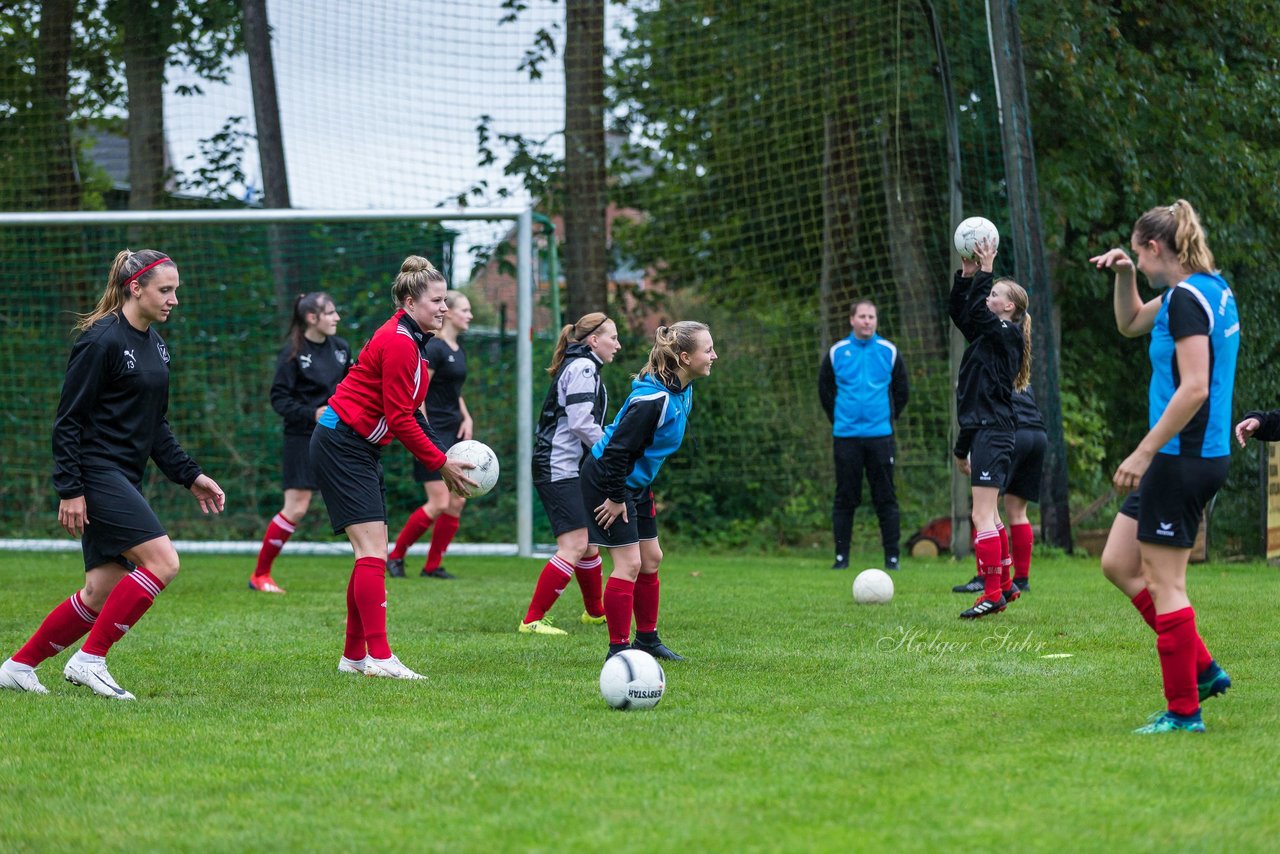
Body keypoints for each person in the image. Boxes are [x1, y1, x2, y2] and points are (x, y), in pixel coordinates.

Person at [0, 250, 225, 700]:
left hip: (124, 475)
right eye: (166, 290)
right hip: (96, 472)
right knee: (163, 562)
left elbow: (155, 425)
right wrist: (71, 489)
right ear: (134, 288)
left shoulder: (157, 346)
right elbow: (68, 420)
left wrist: (190, 475)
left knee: (98, 593)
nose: (174, 300)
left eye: (176, 290)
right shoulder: (100, 340)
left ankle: (17, 667)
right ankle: (90, 660)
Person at [1091, 199, 1239, 734]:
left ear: (1158, 247)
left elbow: (1196, 386)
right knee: (1117, 563)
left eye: (1138, 254)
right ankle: (1201, 667)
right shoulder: (1209, 290)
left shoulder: (1185, 302)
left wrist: (1144, 450)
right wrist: (1125, 277)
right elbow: (1130, 322)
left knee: (1164, 581)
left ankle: (1184, 712)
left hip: (1182, 458)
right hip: (1186, 457)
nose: (1137, 260)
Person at [310, 256, 476, 680]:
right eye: (436, 300)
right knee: (372, 553)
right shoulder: (401, 342)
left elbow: (411, 414)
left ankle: (354, 657)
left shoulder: (414, 341)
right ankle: (380, 657)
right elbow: (400, 418)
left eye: (444, 301)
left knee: (369, 552)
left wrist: (445, 456)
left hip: (355, 446)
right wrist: (441, 463)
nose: (443, 307)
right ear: (408, 302)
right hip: (342, 443)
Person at [583, 321, 717, 662]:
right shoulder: (652, 400)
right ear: (685, 358)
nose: (714, 355)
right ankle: (618, 650)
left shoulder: (682, 388)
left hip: (634, 482)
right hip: (609, 478)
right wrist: (615, 498)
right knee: (628, 564)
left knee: (652, 560)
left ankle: (647, 640)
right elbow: (616, 453)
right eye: (708, 350)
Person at [519, 312, 623, 635]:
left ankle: (594, 613)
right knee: (576, 543)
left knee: (589, 543)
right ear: (594, 341)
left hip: (565, 467)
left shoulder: (582, 365)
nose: (617, 345)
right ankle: (532, 620)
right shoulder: (583, 367)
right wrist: (611, 449)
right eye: (613, 338)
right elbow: (580, 424)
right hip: (558, 467)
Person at [948, 238, 1032, 619]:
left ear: (1009, 306)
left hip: (994, 429)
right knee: (992, 514)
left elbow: (979, 317)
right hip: (986, 429)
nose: (988, 295)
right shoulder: (988, 333)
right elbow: (961, 314)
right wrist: (967, 278)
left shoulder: (1007, 332)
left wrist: (985, 269)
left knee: (982, 515)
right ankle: (1007, 583)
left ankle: (993, 592)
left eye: (995, 292)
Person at [250, 292, 351, 594]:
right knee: (295, 509)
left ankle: (372, 574)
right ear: (312, 318)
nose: (337, 318)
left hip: (339, 438)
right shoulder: (292, 353)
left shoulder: (342, 349)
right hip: (302, 438)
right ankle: (260, 575)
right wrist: (312, 413)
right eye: (330, 313)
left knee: (357, 501)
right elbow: (279, 399)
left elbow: (353, 387)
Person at [387, 291, 474, 579]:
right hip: (432, 430)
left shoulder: (457, 349)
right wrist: (423, 427)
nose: (469, 315)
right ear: (449, 313)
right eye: (465, 309)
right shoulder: (434, 348)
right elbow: (420, 388)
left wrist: (466, 416)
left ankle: (433, 565)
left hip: (454, 429)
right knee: (439, 502)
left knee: (457, 501)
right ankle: (395, 556)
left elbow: (454, 392)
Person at [819, 299, 909, 571]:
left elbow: (902, 392)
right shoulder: (837, 352)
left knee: (886, 498)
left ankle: (892, 558)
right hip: (845, 437)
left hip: (880, 437)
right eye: (862, 316)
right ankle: (841, 558)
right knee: (846, 498)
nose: (867, 321)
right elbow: (825, 391)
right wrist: (840, 420)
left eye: (872, 316)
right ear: (852, 320)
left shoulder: (889, 351)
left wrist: (886, 420)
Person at [952, 385, 1046, 594]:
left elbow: (972, 413)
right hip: (1037, 435)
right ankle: (1021, 579)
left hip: (1009, 432)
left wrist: (961, 450)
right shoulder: (1013, 366)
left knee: (984, 509)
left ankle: (985, 577)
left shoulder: (982, 369)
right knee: (1018, 511)